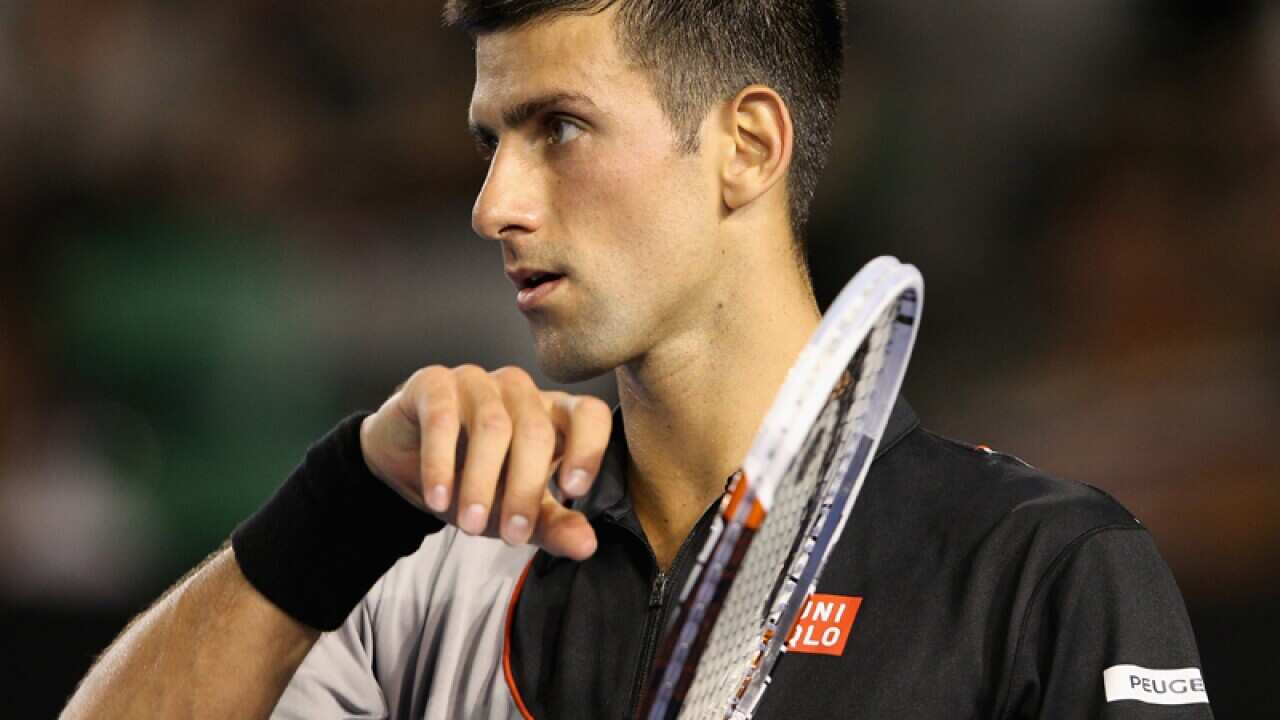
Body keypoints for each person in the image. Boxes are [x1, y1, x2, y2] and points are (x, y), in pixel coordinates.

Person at [62, 1, 1213, 718]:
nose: (491, 204)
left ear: (746, 146)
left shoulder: (1038, 569)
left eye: (557, 127)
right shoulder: (428, 588)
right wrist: (345, 497)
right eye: (487, 141)